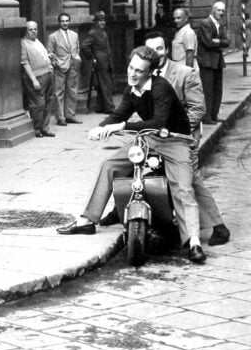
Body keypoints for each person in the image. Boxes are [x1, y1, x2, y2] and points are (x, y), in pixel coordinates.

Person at [56, 46, 205, 263]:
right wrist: (102, 127)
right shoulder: (131, 89)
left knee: (183, 188)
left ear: (150, 72)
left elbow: (158, 122)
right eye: (131, 67)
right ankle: (88, 220)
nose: (132, 73)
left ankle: (193, 242)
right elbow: (120, 113)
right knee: (109, 165)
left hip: (175, 141)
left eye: (139, 71)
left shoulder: (161, 88)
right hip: (149, 139)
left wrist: (121, 126)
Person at [142, 33, 230, 246]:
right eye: (150, 51)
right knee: (130, 163)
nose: (156, 54)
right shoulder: (145, 74)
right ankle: (121, 211)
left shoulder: (185, 73)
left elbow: (198, 109)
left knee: (190, 179)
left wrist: (173, 129)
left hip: (183, 135)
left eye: (160, 49)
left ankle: (219, 227)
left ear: (167, 50)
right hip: (158, 136)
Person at [196, 1, 230, 124]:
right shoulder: (205, 23)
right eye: (219, 10)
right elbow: (208, 42)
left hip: (217, 62)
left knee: (217, 90)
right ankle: (207, 117)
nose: (221, 13)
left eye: (223, 11)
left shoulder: (220, 24)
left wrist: (218, 41)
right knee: (207, 90)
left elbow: (227, 42)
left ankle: (214, 115)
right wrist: (220, 42)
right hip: (207, 62)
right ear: (213, 10)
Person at [20, 21, 55, 138]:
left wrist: (49, 60)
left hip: (48, 74)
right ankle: (37, 128)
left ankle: (45, 127)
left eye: (35, 29)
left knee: (49, 101)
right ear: (26, 31)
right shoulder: (23, 43)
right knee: (38, 104)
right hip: (36, 77)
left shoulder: (37, 41)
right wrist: (33, 80)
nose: (34, 31)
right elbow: (25, 62)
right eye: (31, 29)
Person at [47, 12, 82, 126]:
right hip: (60, 66)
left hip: (73, 65)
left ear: (69, 21)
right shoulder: (53, 36)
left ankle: (70, 115)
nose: (65, 23)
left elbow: (77, 48)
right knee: (59, 92)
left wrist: (77, 59)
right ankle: (60, 117)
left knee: (72, 91)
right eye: (62, 21)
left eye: (67, 21)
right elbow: (50, 53)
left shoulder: (74, 35)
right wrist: (55, 63)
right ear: (59, 22)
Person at [81, 10, 116, 113]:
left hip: (106, 61)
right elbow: (84, 46)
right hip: (100, 62)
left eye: (104, 20)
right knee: (106, 85)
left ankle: (100, 107)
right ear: (95, 22)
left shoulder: (103, 32)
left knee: (102, 85)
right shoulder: (93, 32)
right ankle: (110, 108)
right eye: (100, 21)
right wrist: (92, 57)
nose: (102, 22)